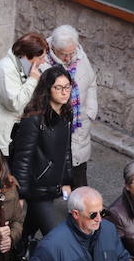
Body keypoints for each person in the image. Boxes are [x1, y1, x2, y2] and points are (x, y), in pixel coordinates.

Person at [12, 65, 75, 237]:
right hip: (37, 188)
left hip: (52, 186)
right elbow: (23, 158)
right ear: (48, 90)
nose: (64, 92)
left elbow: (66, 151)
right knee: (55, 235)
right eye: (58, 88)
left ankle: (15, 257)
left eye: (67, 87)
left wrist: (67, 180)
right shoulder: (34, 118)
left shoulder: (66, 114)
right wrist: (20, 193)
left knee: (26, 231)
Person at [40, 26, 98, 189]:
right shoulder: (43, 63)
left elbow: (92, 81)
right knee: (53, 162)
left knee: (79, 164)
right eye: (64, 54)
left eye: (71, 53)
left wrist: (91, 109)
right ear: (53, 48)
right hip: (55, 123)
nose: (68, 57)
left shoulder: (80, 55)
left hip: (79, 122)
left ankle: (83, 204)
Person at [0, 32, 48, 158]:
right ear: (27, 55)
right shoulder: (6, 69)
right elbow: (15, 103)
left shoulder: (23, 67)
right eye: (40, 58)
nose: (43, 61)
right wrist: (33, 81)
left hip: (11, 134)